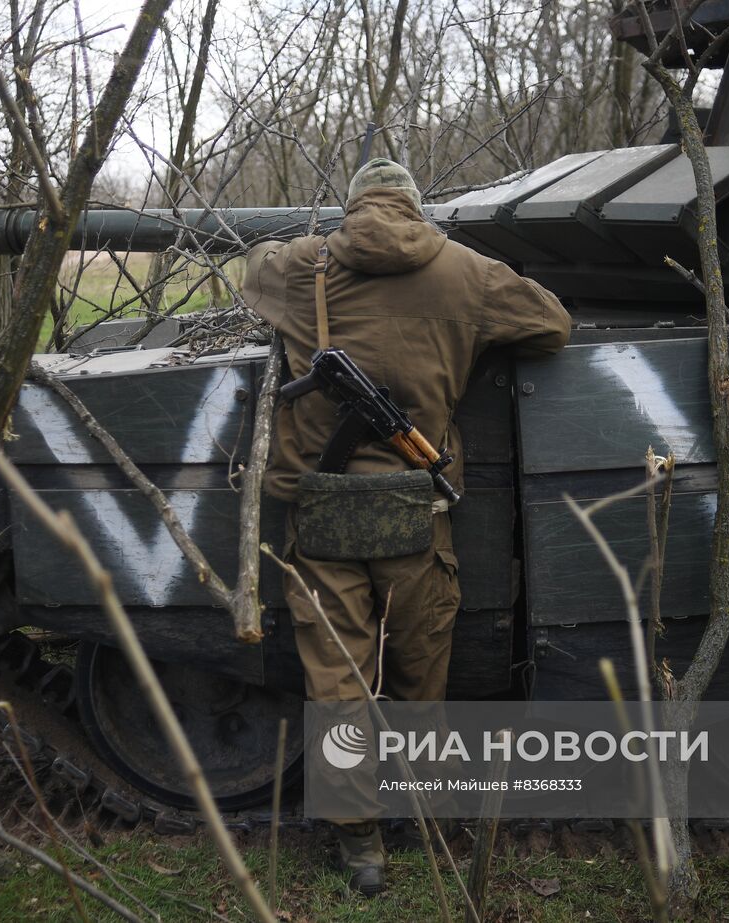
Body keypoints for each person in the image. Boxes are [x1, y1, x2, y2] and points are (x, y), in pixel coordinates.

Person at [243, 157, 571, 896]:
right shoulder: (467, 271)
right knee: (421, 671)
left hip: (322, 512)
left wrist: (310, 246)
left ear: (352, 208)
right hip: (414, 512)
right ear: (417, 209)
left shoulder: (303, 265)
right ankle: (428, 816)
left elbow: (251, 267)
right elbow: (553, 324)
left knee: (338, 675)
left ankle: (359, 844)